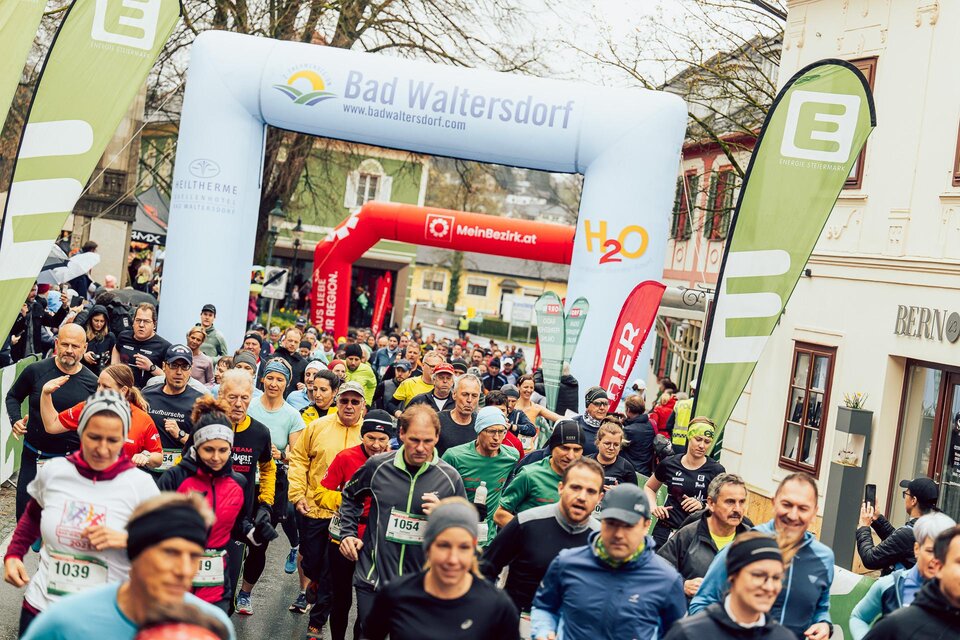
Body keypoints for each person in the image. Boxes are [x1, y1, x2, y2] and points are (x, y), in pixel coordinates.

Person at [4, 390, 160, 634]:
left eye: (113, 439)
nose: (102, 448)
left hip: (103, 617)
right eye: (94, 437)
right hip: (43, 609)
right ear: (81, 432)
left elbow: (163, 545)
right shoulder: (55, 471)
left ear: (124, 438)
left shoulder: (140, 486)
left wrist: (127, 539)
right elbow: (33, 516)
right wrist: (14, 554)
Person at [19, 493, 234, 640]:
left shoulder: (213, 626)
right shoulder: (64, 620)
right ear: (136, 551)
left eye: (194, 556)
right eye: (170, 553)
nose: (185, 570)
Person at [338, 405, 466, 635]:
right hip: (373, 576)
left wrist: (444, 515)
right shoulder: (377, 466)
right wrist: (347, 533)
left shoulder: (449, 478)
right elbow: (350, 495)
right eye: (414, 439)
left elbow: (464, 531)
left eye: (428, 441)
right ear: (402, 434)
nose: (420, 448)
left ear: (437, 437)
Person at [531, 483, 686, 640]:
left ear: (646, 525)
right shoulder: (567, 562)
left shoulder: (667, 580)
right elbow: (545, 607)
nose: (618, 534)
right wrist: (543, 631)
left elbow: (676, 634)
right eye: (611, 524)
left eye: (628, 526)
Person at [691, 472, 834, 640]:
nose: (793, 515)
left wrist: (824, 624)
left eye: (803, 508)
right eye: (787, 505)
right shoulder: (744, 546)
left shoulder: (824, 557)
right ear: (774, 503)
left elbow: (821, 608)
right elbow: (700, 604)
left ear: (814, 512)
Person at [363, 498, 520, 640]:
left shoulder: (497, 605)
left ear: (473, 550)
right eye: (444, 545)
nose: (453, 559)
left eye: (463, 547)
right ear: (428, 547)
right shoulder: (396, 594)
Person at [481, 458, 603, 633]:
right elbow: (485, 569)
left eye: (590, 491)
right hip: (514, 625)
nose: (582, 497)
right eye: (575, 487)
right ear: (561, 488)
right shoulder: (526, 522)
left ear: (599, 498)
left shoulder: (601, 540)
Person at [286, 382, 367, 638]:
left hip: (346, 516)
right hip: (315, 506)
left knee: (333, 572)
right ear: (337, 401)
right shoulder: (318, 426)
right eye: (345, 401)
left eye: (355, 402)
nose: (350, 406)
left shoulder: (368, 434)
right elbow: (298, 459)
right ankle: (315, 583)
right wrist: (297, 493)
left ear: (363, 405)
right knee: (311, 563)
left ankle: (317, 620)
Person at [157, 398, 251, 611]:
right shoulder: (174, 478)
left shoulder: (238, 483)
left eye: (223, 450)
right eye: (209, 450)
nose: (216, 457)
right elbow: (153, 529)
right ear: (197, 447)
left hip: (216, 587)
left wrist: (254, 530)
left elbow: (238, 527)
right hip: (174, 586)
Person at [313, 411, 396, 640]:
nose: (376, 445)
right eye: (371, 438)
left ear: (390, 439)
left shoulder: (395, 462)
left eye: (382, 439)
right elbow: (321, 492)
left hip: (375, 539)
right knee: (341, 599)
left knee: (367, 600)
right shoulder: (345, 457)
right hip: (344, 534)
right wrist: (348, 500)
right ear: (362, 436)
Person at [6, 323, 99, 518]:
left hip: (70, 462)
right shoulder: (35, 371)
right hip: (34, 456)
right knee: (24, 519)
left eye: (75, 346)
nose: (69, 351)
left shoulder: (93, 383)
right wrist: (15, 420)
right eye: (65, 345)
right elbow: (13, 396)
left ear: (85, 348)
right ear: (56, 343)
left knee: (60, 523)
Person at [240, 358, 305, 608]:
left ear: (287, 384)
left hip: (273, 485)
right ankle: (224, 585)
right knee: (233, 538)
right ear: (262, 379)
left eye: (280, 379)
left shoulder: (292, 415)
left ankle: (246, 593)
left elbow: (296, 455)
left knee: (258, 543)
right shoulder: (250, 406)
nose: (274, 383)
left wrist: (282, 454)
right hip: (243, 479)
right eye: (270, 378)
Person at [212, 369, 276, 614]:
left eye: (245, 398)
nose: (239, 404)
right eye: (232, 398)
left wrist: (265, 504)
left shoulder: (260, 432)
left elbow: (268, 469)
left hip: (238, 521)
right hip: (206, 519)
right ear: (221, 395)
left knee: (226, 594)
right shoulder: (207, 425)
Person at [663, 532, 795, 640]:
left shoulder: (784, 637)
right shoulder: (689, 633)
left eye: (776, 578)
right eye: (758, 575)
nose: (769, 587)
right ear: (732, 576)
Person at [851, 512, 957, 639]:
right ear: (917, 549)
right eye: (930, 551)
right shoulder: (890, 584)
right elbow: (859, 617)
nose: (935, 559)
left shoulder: (954, 593)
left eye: (942, 553)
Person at [41, 363, 162, 469]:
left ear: (123, 390)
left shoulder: (143, 419)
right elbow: (52, 425)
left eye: (106, 387)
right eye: (99, 385)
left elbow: (158, 458)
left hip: (123, 489)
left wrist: (146, 456)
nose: (99, 391)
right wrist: (46, 394)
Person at [658, 473, 751, 602]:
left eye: (742, 502)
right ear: (711, 503)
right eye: (730, 502)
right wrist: (682, 584)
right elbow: (658, 570)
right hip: (689, 618)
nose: (737, 509)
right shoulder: (688, 535)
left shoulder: (751, 541)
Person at [442, 406, 521, 548]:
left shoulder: (511, 456)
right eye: (491, 431)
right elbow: (440, 495)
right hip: (456, 534)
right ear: (479, 430)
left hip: (488, 538)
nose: (497, 438)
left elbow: (509, 482)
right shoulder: (454, 456)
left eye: (501, 431)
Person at [645, 418, 725, 547]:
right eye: (698, 439)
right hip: (665, 531)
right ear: (689, 436)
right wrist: (653, 507)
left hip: (695, 534)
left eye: (707, 441)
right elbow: (649, 487)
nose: (702, 445)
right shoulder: (669, 463)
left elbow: (721, 505)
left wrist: (702, 506)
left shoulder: (716, 470)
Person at [495, 420, 584, 527]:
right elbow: (499, 514)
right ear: (552, 447)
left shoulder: (587, 478)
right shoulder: (530, 475)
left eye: (577, 450)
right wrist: (530, 533)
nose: (570, 455)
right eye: (564, 448)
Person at [142, 345, 207, 476]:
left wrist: (181, 435)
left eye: (184, 367)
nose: (179, 372)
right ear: (164, 366)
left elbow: (206, 445)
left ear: (190, 369)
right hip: (148, 470)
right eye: (174, 365)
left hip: (181, 473)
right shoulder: (146, 395)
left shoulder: (200, 402)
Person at [857, 476, 940, 575]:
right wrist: (877, 519)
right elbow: (898, 544)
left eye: (906, 494)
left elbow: (870, 559)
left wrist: (864, 527)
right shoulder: (935, 525)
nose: (905, 498)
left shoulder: (911, 532)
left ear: (913, 500)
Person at [112, 303, 171, 388]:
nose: (141, 325)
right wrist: (114, 367)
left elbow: (170, 379)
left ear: (154, 324)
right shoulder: (123, 336)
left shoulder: (165, 347)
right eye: (138, 320)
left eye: (146, 321)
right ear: (133, 321)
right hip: (123, 391)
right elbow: (116, 348)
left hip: (148, 395)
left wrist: (151, 367)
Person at [11, 284, 69, 361]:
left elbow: (53, 322)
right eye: (31, 290)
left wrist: (64, 307)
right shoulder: (14, 308)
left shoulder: (37, 307)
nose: (34, 293)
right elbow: (12, 331)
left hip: (35, 355)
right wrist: (22, 316)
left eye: (35, 290)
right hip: (17, 356)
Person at [436, 373, 481, 455]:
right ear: (454, 394)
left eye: (474, 395)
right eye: (465, 394)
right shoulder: (437, 420)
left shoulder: (481, 423)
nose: (469, 400)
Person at [587, 421, 637, 488]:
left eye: (616, 445)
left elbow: (634, 496)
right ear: (598, 442)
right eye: (607, 443)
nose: (611, 448)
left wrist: (618, 493)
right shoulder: (586, 462)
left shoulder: (626, 468)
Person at [266, 328, 307, 399]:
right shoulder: (272, 358)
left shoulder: (303, 364)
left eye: (296, 342)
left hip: (292, 402)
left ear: (299, 343)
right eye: (290, 340)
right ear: (284, 340)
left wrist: (304, 387)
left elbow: (307, 384)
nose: (292, 344)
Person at [80, 304, 115, 375]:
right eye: (96, 320)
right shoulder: (82, 332)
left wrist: (107, 357)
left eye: (102, 321)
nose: (99, 324)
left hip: (100, 373)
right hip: (82, 370)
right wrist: (83, 356)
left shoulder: (109, 337)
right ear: (90, 319)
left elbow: (114, 358)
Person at [575, 386, 610, 457]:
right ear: (587, 405)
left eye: (605, 404)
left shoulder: (612, 428)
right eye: (597, 404)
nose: (602, 408)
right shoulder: (574, 424)